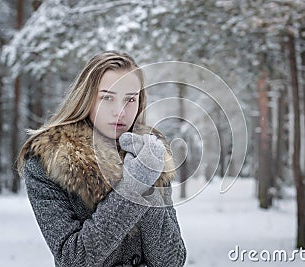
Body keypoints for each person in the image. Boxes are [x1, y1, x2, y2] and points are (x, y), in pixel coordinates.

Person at [17, 51, 187, 267]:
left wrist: (148, 188)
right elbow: (73, 259)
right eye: (107, 97)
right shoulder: (47, 161)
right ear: (86, 98)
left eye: (130, 99)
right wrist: (133, 187)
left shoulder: (150, 152)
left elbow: (172, 260)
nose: (120, 111)